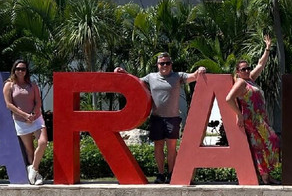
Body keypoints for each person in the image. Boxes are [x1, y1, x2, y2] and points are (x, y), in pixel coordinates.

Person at [116, 53, 206, 183]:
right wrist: (124, 72)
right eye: (162, 63)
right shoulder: (151, 77)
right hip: (157, 118)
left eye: (167, 63)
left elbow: (194, 76)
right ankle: (160, 174)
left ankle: (171, 173)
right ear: (157, 65)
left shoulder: (177, 76)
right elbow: (135, 82)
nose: (164, 65)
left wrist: (200, 70)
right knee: (158, 146)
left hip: (172, 118)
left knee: (171, 147)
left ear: (171, 64)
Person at [226, 34, 281, 184]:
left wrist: (267, 48)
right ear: (238, 72)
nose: (246, 71)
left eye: (247, 68)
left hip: (261, 118)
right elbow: (228, 98)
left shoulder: (249, 79)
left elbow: (260, 64)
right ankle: (265, 175)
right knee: (272, 141)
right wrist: (239, 114)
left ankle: (266, 176)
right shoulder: (241, 83)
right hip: (253, 120)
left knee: (261, 147)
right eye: (243, 69)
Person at [2, 58, 48, 185]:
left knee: (43, 142)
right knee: (29, 150)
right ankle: (36, 176)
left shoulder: (32, 85)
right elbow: (9, 105)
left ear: (26, 71)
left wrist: (32, 114)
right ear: (14, 70)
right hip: (21, 121)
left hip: (36, 119)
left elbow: (38, 102)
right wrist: (25, 115)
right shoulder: (9, 85)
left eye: (23, 69)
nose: (20, 71)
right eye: (18, 69)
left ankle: (33, 169)